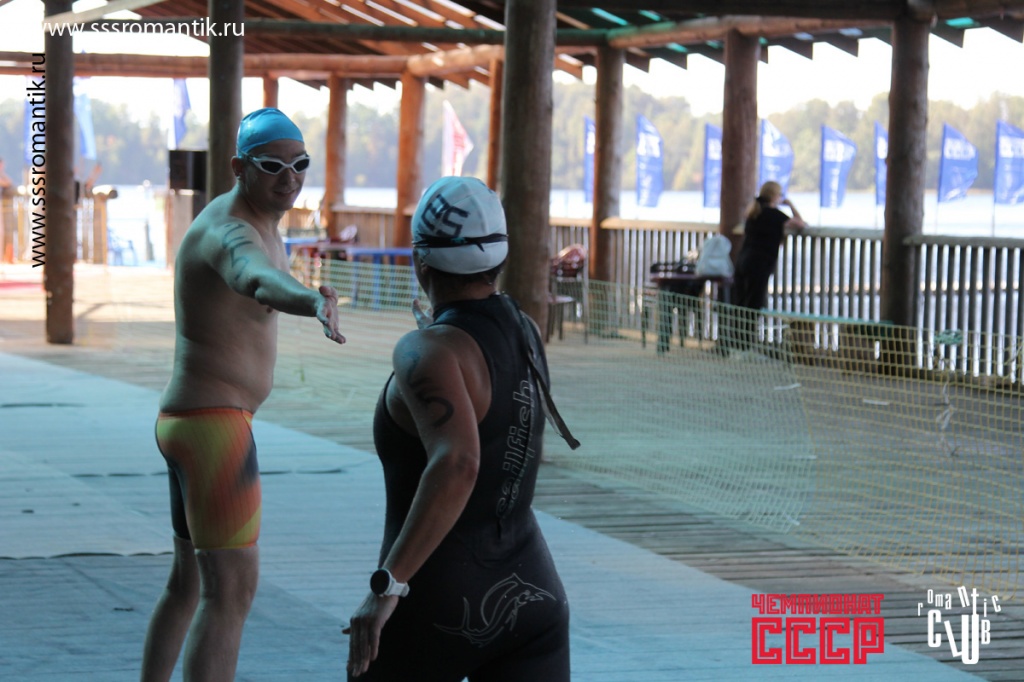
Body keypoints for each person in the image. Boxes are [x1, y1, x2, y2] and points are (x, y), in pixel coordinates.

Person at [140, 108, 346, 682]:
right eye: (272, 166)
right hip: (214, 427)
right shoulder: (229, 228)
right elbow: (252, 276)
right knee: (230, 592)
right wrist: (310, 300)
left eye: (300, 164)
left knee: (189, 584)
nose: (290, 177)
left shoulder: (260, 223)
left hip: (190, 419)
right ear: (239, 168)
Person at [345, 177, 578, 681]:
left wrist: (388, 587)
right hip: (532, 593)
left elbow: (459, 462)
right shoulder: (525, 329)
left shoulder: (427, 350)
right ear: (500, 256)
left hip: (436, 600)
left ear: (420, 260)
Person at [730, 181, 806, 348]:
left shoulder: (753, 212)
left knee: (740, 303)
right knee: (753, 304)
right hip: (759, 264)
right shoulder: (775, 215)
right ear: (774, 196)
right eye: (780, 194)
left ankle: (737, 343)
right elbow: (800, 223)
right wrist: (790, 204)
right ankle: (746, 345)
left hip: (742, 261)